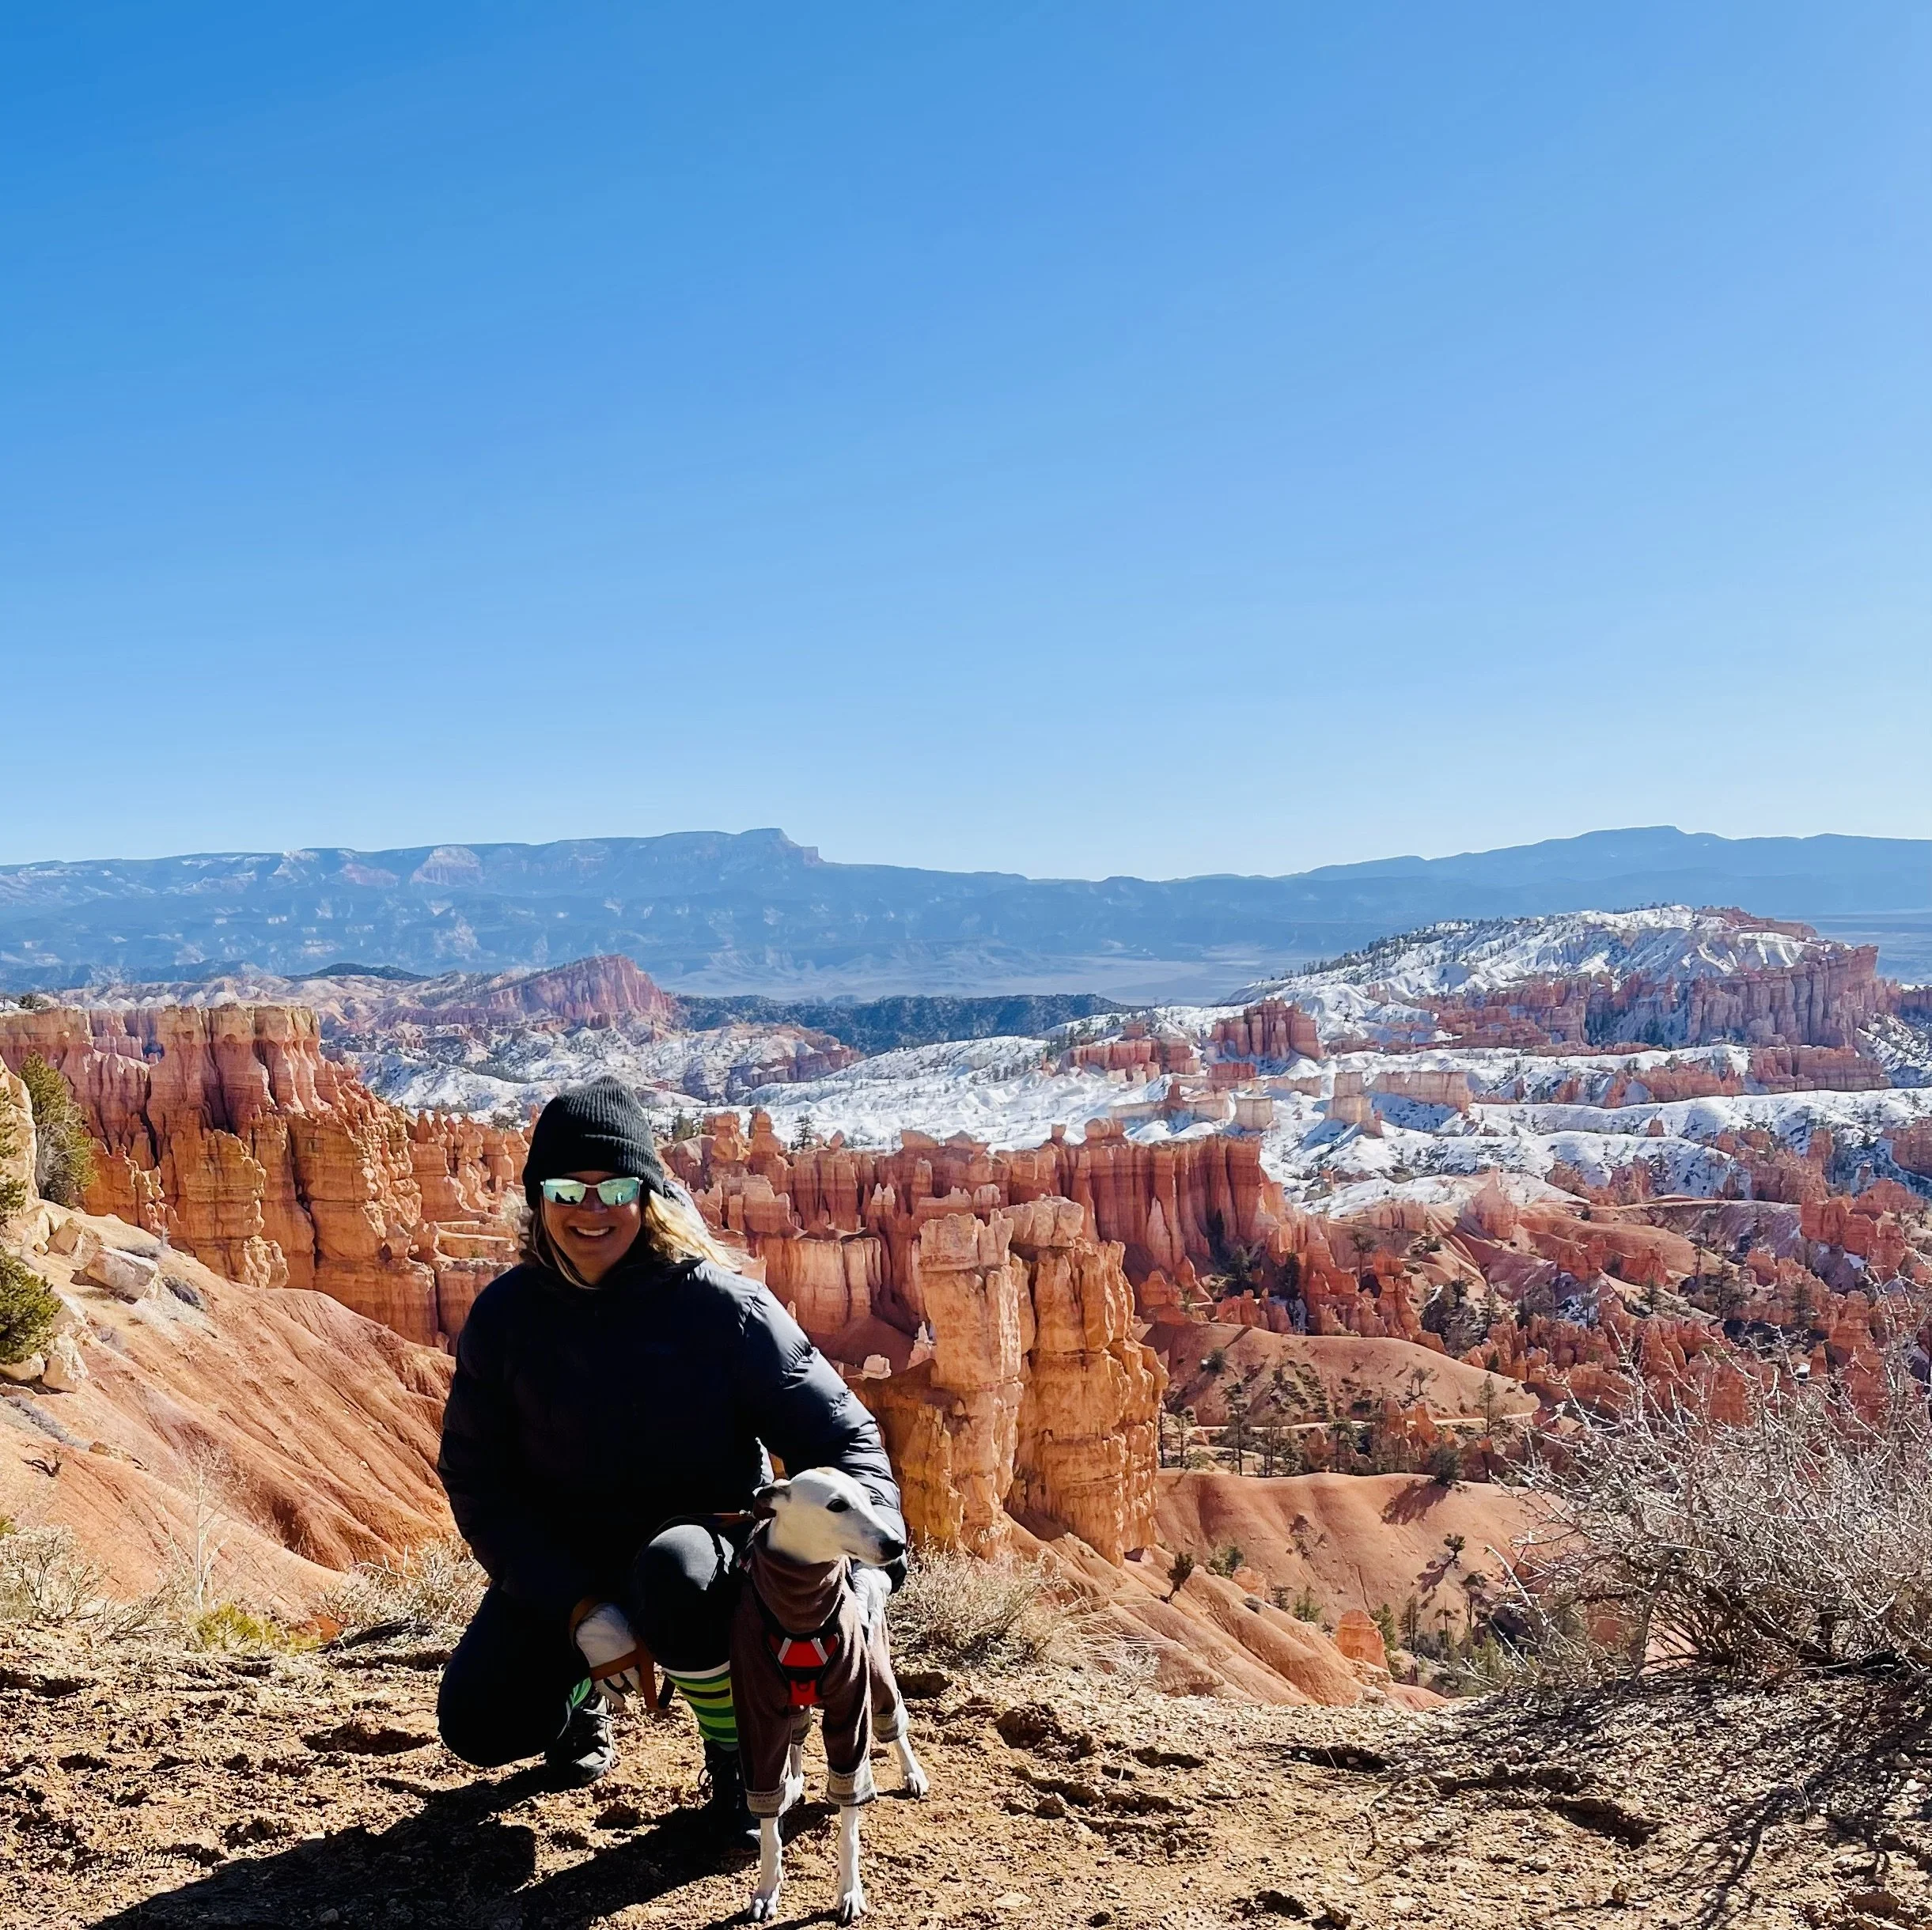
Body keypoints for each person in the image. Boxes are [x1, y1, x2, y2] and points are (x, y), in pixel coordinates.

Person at [434, 1077, 905, 1836]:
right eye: (567, 1189)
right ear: (537, 1200)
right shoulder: (506, 1318)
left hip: (705, 1551)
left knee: (675, 1575)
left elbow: (841, 1436)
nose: (590, 1211)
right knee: (480, 1722)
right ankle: (579, 1708)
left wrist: (871, 1561)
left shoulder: (724, 1309)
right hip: (571, 1556)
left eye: (613, 1186)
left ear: (647, 1194)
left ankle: (742, 1759)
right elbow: (476, 1479)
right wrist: (578, 1607)